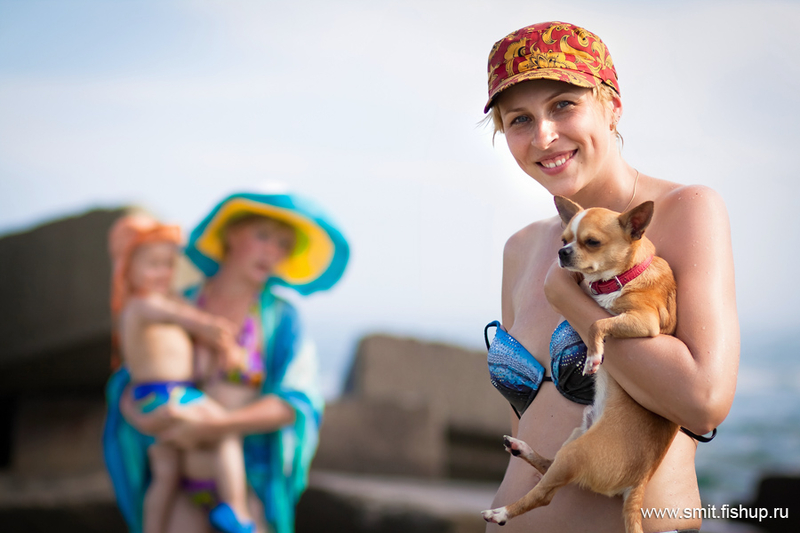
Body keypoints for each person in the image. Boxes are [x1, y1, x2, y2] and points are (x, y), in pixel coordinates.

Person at [481, 22, 738, 533]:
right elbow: (525, 426)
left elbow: (704, 402)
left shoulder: (683, 211)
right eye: (519, 119)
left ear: (612, 106)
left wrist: (573, 302)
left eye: (563, 106)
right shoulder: (521, 248)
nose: (543, 136)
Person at [104, 188, 350, 533]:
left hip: (246, 484)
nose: (272, 251)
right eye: (263, 236)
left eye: (283, 244)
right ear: (231, 233)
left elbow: (296, 403)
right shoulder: (181, 304)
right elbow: (135, 376)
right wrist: (137, 412)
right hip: (179, 484)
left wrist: (216, 426)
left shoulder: (281, 320)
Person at [106, 213, 257, 533]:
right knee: (223, 431)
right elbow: (189, 319)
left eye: (169, 264)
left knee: (165, 475)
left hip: (155, 396)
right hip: (169, 394)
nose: (163, 273)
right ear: (127, 268)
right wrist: (213, 329)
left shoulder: (156, 305)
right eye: (153, 264)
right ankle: (237, 511)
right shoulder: (146, 304)